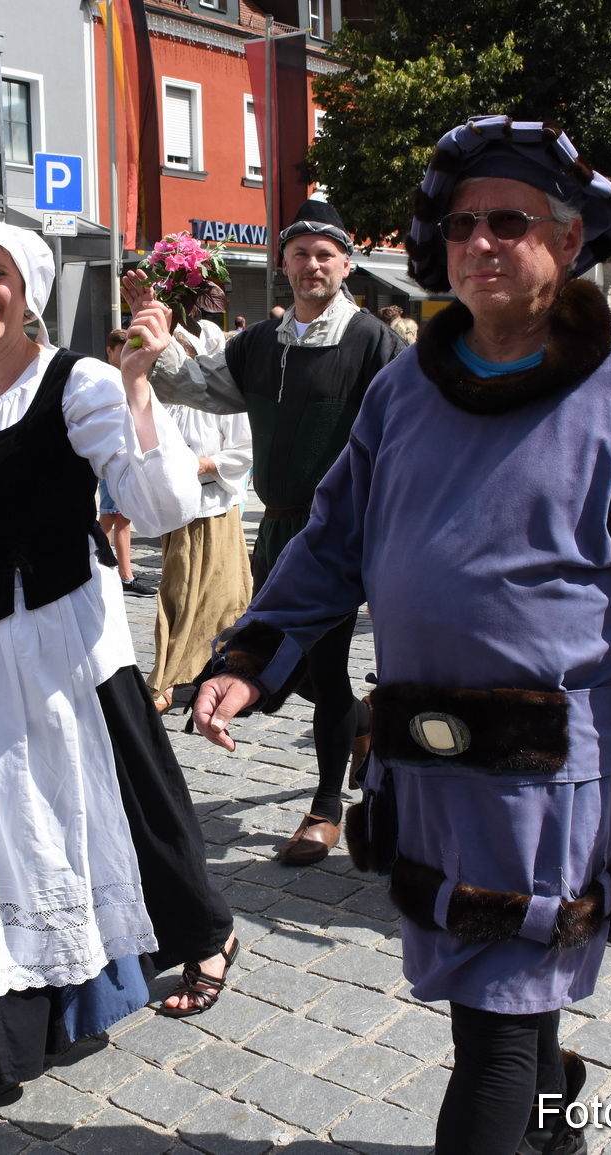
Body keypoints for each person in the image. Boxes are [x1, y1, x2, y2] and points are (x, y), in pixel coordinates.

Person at [185, 115, 611, 1155]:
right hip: (422, 757)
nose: (480, 242)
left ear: (568, 242)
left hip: (541, 772)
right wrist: (252, 654)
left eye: (509, 221)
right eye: (461, 225)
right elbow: (331, 537)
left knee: (495, 1023)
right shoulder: (406, 386)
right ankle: (555, 1130)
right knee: (497, 998)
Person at [0, 222, 238, 1138]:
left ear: (28, 286)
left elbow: (153, 506)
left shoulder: (80, 383)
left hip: (59, 650)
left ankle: (191, 937)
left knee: (88, 818)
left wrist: (142, 383)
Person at [131, 199, 406, 868]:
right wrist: (158, 341)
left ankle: (326, 806)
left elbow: (410, 425)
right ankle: (363, 723)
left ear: (346, 265)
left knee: (326, 660)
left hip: (345, 530)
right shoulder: (259, 344)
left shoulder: (372, 340)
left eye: (325, 254)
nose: (312, 264)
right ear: (282, 263)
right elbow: (200, 388)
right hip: (280, 529)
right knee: (301, 663)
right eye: (300, 253)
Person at [149, 316, 254, 715]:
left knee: (219, 594)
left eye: (184, 351)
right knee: (178, 593)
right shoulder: (171, 403)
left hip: (213, 511)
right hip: (178, 511)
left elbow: (245, 450)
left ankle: (201, 670)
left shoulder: (223, 402)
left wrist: (205, 464)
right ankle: (172, 672)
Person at [98, 330, 155, 596]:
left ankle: (114, 572)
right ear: (109, 351)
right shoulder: (104, 379)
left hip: (125, 453)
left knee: (117, 516)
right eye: (122, 352)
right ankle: (121, 575)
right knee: (115, 516)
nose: (127, 358)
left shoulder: (128, 375)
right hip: (112, 456)